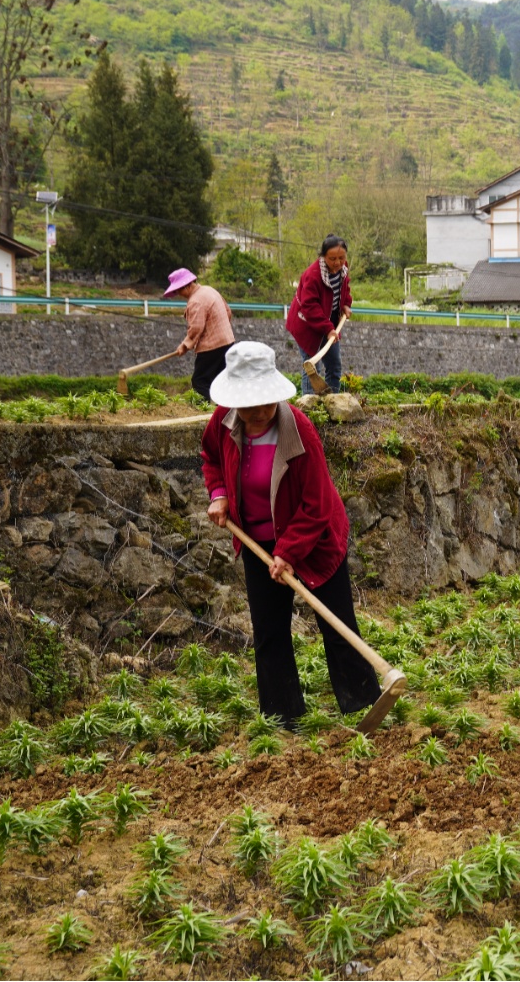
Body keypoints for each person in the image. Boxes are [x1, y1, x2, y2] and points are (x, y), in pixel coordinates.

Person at [200, 341, 379, 726]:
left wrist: (289, 552)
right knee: (269, 630)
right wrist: (218, 495)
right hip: (256, 541)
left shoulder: (299, 430)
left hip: (314, 540)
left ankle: (364, 702)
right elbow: (211, 458)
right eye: (249, 405)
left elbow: (316, 505)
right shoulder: (223, 421)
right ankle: (282, 715)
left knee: (336, 621)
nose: (260, 411)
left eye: (265, 402)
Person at [286, 237, 351, 396]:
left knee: (334, 366)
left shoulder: (343, 269)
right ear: (323, 256)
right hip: (307, 326)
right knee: (312, 368)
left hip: (329, 326)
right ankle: (310, 408)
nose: (337, 262)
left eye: (341, 258)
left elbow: (344, 289)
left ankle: (332, 402)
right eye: (332, 259)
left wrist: (345, 304)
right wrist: (328, 328)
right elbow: (310, 306)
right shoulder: (313, 275)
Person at [165, 267, 235, 399]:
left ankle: (207, 409)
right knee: (221, 379)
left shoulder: (196, 300)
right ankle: (225, 409)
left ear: (187, 285)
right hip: (227, 341)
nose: (179, 294)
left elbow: (196, 327)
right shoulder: (209, 290)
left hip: (212, 346)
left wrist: (185, 345)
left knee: (200, 381)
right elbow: (228, 312)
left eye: (179, 290)